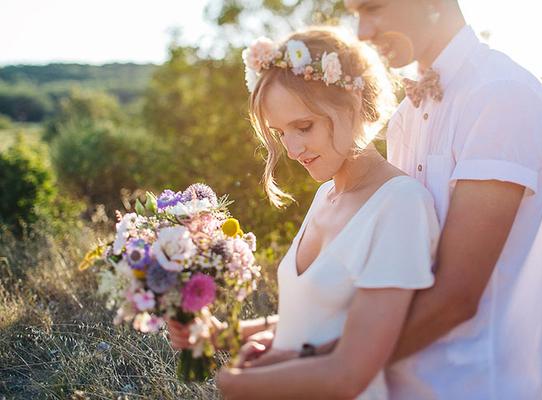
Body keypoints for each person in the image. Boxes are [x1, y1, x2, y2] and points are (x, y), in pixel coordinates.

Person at [168, 26, 441, 399]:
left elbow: (352, 371)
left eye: (304, 126)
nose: (293, 149)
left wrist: (233, 384)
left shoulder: (400, 205)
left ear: (353, 104)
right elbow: (319, 322)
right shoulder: (326, 194)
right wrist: (222, 335)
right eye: (280, 132)